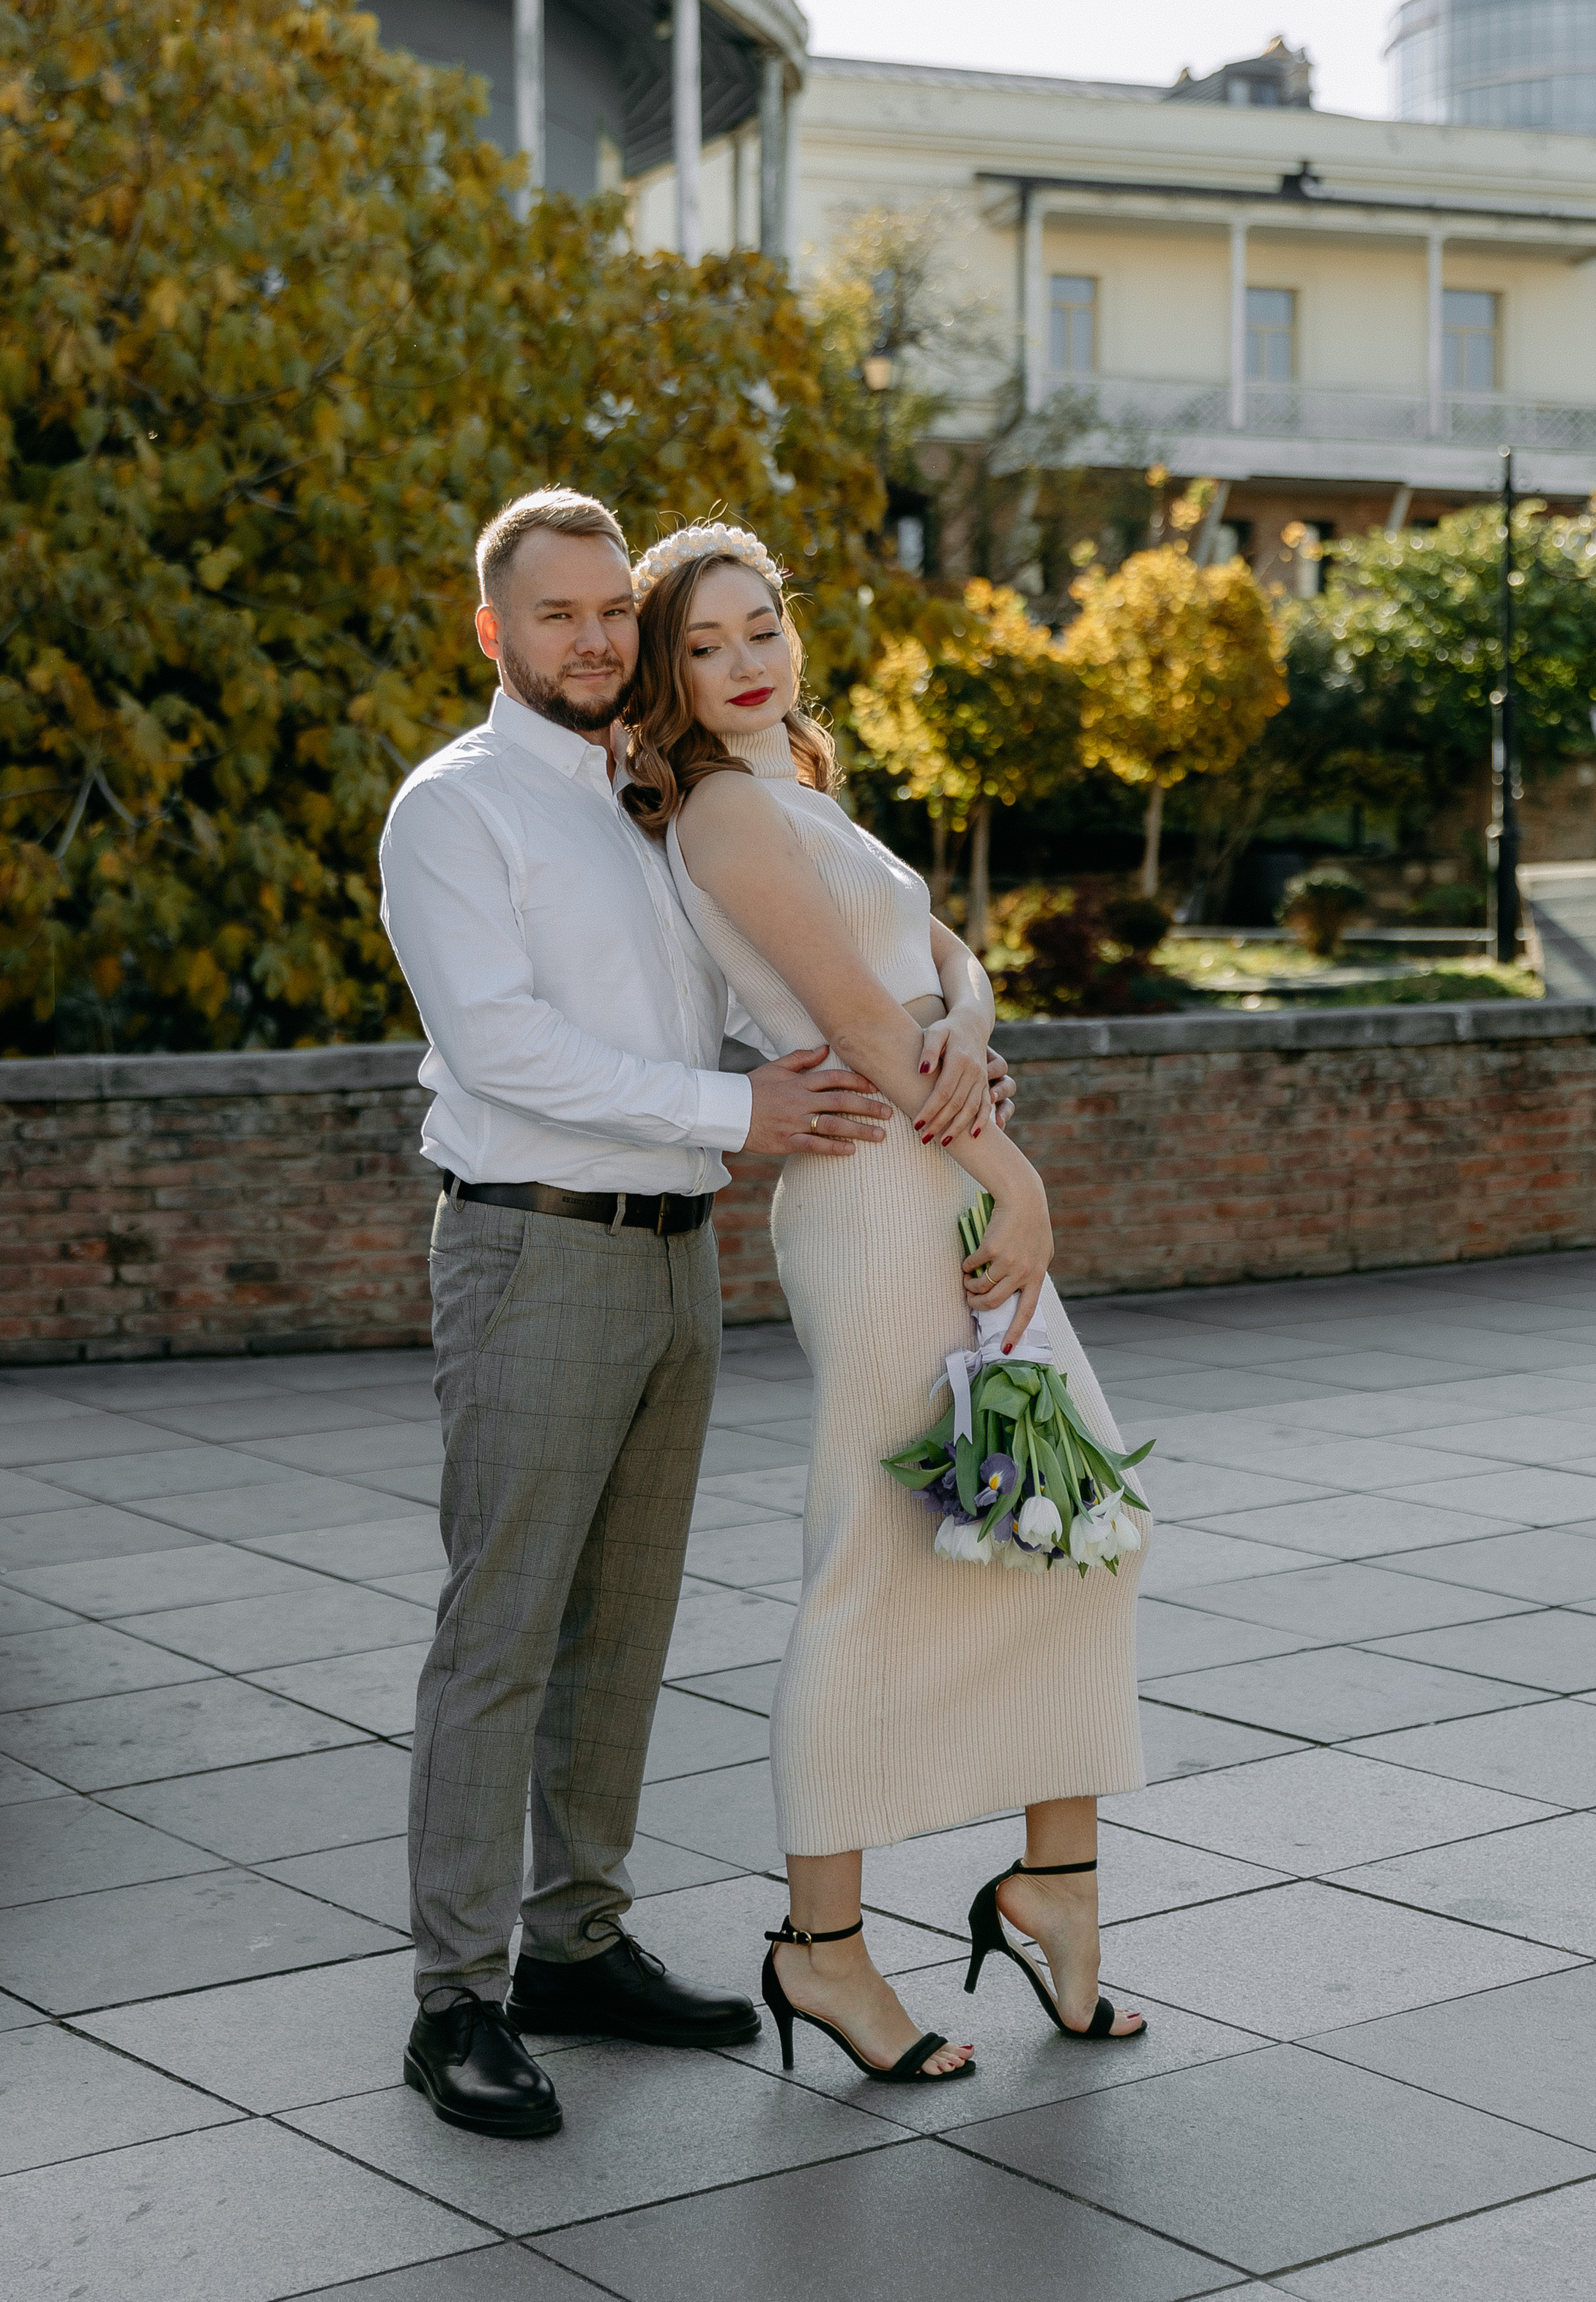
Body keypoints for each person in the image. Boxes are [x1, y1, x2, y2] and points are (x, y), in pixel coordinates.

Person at [376, 489, 1009, 2140]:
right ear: (491, 631)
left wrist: (942, 1037)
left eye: (609, 613)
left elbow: (791, 975)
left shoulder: (656, 798)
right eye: (555, 614)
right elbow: (501, 1046)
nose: (590, 639)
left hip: (669, 1252)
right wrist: (743, 1118)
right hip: (530, 1248)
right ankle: (455, 2001)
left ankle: (576, 1946)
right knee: (502, 1627)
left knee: (629, 1619)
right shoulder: (455, 811)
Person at [621, 522, 1151, 2087]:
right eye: (702, 646)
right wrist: (1018, 1169)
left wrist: (968, 1050)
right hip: (878, 1205)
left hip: (943, 1167)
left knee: (1073, 1529)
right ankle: (821, 1948)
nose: (741, 662)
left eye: (758, 626)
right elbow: (862, 1019)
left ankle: (1053, 1887)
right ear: (665, 675)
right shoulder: (723, 817)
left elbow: (936, 975)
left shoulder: (798, 787)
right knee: (873, 1556)